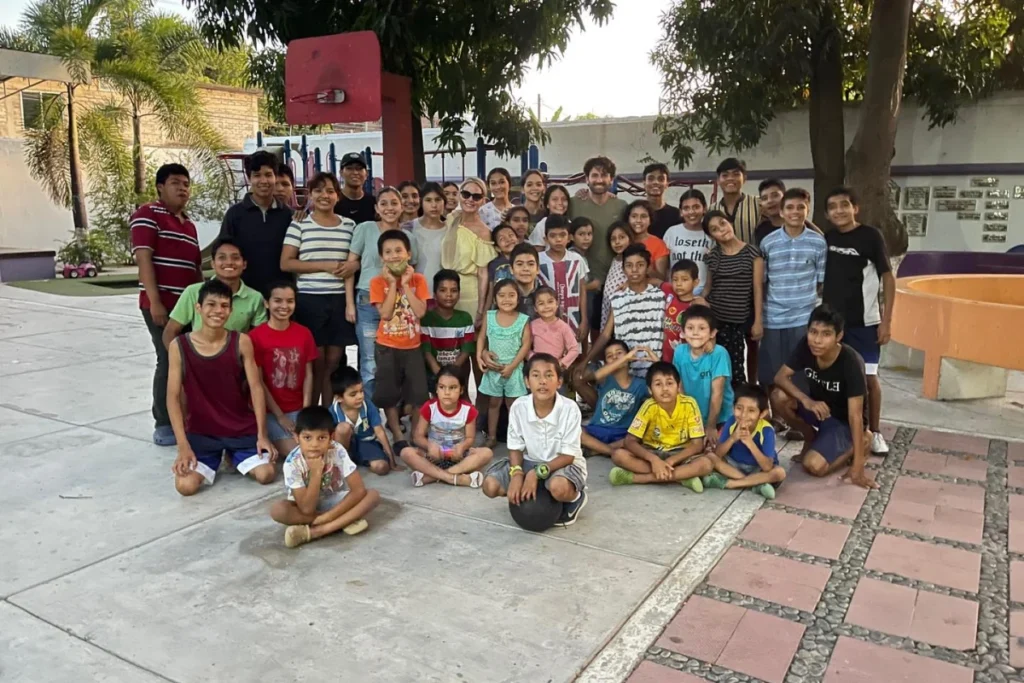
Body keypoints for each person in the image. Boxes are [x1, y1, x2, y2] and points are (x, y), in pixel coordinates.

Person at [168, 279, 276, 496]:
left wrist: (262, 434)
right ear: (198, 308)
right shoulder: (179, 346)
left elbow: (256, 388)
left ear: (231, 310)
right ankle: (218, 456)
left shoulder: (241, 341)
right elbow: (172, 396)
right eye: (211, 304)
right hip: (202, 432)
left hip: (239, 428)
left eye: (224, 306)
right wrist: (182, 445)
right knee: (185, 487)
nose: (218, 311)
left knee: (266, 474)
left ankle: (233, 456)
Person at [130, 163, 203, 446]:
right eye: (175, 182)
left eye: (186, 183)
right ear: (160, 187)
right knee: (167, 359)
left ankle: (188, 418)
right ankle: (163, 423)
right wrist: (156, 302)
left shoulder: (188, 224)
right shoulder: (147, 214)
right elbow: (144, 259)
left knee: (189, 362)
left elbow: (195, 268)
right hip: (161, 306)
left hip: (188, 308)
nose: (182, 188)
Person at [823, 187, 896, 456]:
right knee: (834, 378)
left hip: (865, 322)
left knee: (868, 378)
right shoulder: (827, 237)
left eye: (844, 205)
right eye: (833, 206)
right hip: (832, 324)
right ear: (827, 214)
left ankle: (874, 431)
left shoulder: (870, 236)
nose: (839, 210)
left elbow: (888, 277)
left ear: (856, 208)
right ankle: (843, 429)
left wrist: (886, 321)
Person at [772, 304, 877, 489]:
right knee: (779, 397)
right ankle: (810, 437)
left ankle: (862, 441)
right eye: (813, 332)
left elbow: (855, 416)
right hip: (819, 410)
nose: (817, 340)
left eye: (826, 334)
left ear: (839, 336)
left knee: (813, 466)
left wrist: (857, 467)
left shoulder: (851, 362)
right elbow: (780, 376)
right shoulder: (807, 345)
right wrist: (806, 400)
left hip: (843, 422)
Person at [482, 353, 589, 527]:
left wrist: (534, 473)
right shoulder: (519, 406)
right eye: (536, 375)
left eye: (549, 375)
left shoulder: (570, 409)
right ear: (526, 382)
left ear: (559, 382)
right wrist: (517, 473)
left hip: (562, 464)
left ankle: (576, 497)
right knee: (490, 486)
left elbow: (568, 456)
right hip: (529, 461)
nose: (542, 381)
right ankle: (536, 495)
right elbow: (515, 447)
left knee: (558, 488)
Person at [280, 171, 357, 406]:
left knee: (334, 360)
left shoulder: (350, 225)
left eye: (331, 190)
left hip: (339, 300)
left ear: (338, 195)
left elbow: (356, 258)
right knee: (316, 360)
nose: (325, 195)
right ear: (311, 195)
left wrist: (354, 264)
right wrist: (325, 265)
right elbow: (286, 263)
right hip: (310, 300)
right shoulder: (300, 223)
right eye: (319, 190)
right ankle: (310, 411)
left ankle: (327, 411)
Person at [272, 406, 381, 549]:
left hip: (333, 500)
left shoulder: (337, 450)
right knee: (278, 510)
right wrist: (316, 472)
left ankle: (317, 531)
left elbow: (358, 490)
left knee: (373, 495)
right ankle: (344, 521)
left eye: (322, 438)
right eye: (307, 438)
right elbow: (306, 509)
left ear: (332, 437)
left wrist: (328, 517)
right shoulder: (292, 463)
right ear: (296, 437)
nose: (314, 444)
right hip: (304, 506)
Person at [758, 188, 827, 394]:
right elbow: (763, 281)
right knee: (771, 373)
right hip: (773, 318)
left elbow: (821, 281)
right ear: (781, 212)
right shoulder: (768, 242)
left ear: (808, 210)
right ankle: (776, 419)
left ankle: (799, 420)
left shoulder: (818, 242)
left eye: (800, 207)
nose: (795, 212)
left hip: (803, 318)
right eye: (789, 207)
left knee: (800, 374)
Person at [346, 187, 409, 400]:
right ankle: (372, 415)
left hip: (399, 302)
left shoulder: (407, 235)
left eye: (394, 203)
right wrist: (349, 303)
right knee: (370, 360)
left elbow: (411, 270)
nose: (389, 208)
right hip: (367, 299)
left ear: (401, 207)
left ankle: (395, 412)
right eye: (384, 203)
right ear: (376, 208)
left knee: (397, 357)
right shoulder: (365, 229)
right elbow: (351, 265)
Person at [608, 361, 711, 490]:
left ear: (678, 386)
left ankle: (638, 478)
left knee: (706, 464)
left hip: (680, 454)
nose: (665, 389)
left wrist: (671, 461)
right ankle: (682, 477)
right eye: (658, 384)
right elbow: (630, 440)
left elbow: (697, 444)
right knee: (619, 455)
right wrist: (654, 460)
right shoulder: (649, 406)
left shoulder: (689, 404)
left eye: (669, 383)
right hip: (653, 452)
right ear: (650, 390)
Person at [370, 229, 430, 443]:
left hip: (412, 347)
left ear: (409, 254)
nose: (394, 255)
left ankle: (415, 434)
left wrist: (405, 284)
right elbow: (385, 314)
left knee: (418, 394)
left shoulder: (418, 280)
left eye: (398, 250)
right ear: (381, 257)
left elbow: (420, 311)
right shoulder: (378, 282)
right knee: (388, 393)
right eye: (388, 252)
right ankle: (397, 434)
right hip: (386, 347)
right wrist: (393, 284)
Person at [248, 281, 318, 455]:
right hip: (270, 412)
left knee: (320, 445)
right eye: (278, 301)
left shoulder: (304, 333)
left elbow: (308, 375)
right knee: (298, 452)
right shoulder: (255, 336)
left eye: (290, 301)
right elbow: (258, 382)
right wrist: (280, 416)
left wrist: (306, 411)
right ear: (266, 303)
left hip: (298, 410)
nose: (284, 306)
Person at [162, 237, 266, 349]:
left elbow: (259, 338)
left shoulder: (255, 298)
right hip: (198, 360)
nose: (229, 262)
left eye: (235, 258)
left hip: (235, 362)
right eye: (222, 257)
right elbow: (170, 331)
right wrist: (181, 360)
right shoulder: (193, 292)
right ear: (212, 263)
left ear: (244, 264)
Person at [400, 367, 494, 487]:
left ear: (461, 390)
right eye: (442, 387)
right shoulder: (429, 407)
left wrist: (462, 447)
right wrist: (429, 446)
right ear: (437, 389)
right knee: (406, 453)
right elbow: (418, 436)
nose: (447, 392)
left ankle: (432, 476)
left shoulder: (468, 410)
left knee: (486, 453)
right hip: (434, 454)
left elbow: (470, 438)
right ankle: (455, 478)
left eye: (453, 387)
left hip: (457, 455)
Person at [219, 151, 294, 298]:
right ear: (249, 178)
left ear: (275, 176)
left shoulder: (288, 216)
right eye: (257, 175)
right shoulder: (234, 214)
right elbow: (223, 253)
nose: (263, 181)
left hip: (280, 299)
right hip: (244, 297)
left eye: (268, 174)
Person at [701, 211, 763, 384]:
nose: (721, 229)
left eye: (723, 223)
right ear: (711, 235)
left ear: (730, 222)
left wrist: (758, 321)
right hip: (716, 321)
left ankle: (742, 402)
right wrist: (697, 300)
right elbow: (708, 287)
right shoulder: (712, 256)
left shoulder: (752, 253)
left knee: (735, 369)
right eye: (714, 229)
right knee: (715, 366)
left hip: (738, 322)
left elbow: (758, 288)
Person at [586, 243, 665, 379]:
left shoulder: (661, 296)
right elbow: (605, 335)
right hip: (627, 375)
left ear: (648, 267)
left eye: (640, 265)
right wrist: (586, 360)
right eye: (629, 265)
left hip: (655, 372)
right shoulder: (617, 298)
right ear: (623, 269)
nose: (634, 270)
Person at [703, 383, 785, 499]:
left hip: (758, 468)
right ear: (733, 408)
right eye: (739, 408)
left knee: (779, 472)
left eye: (751, 410)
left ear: (762, 414)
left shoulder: (766, 430)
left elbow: (767, 467)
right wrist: (733, 438)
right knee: (710, 457)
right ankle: (755, 484)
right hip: (733, 466)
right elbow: (718, 454)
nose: (743, 415)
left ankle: (731, 484)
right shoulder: (732, 422)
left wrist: (750, 443)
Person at [477, 280, 532, 447]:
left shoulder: (523, 320)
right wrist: (480, 356)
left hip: (513, 371)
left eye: (511, 295)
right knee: (494, 403)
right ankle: (492, 437)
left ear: (518, 298)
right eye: (501, 295)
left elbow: (526, 344)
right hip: (494, 369)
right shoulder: (490, 316)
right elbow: (481, 337)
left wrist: (513, 366)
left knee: (514, 406)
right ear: (495, 298)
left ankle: (518, 439)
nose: (506, 299)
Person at [672, 305, 735, 446]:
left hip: (720, 418)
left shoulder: (718, 353)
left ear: (712, 333)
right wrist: (685, 419)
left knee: (715, 450)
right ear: (682, 332)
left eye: (702, 328)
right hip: (692, 417)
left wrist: (711, 427)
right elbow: (679, 388)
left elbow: (717, 393)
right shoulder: (679, 352)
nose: (695, 333)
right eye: (690, 328)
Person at [441, 177, 498, 329]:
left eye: (477, 196)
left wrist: (481, 309)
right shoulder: (452, 219)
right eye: (466, 194)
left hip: (468, 292)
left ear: (483, 201)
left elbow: (483, 273)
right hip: (444, 288)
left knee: (467, 341)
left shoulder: (484, 232)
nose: (470, 199)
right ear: (459, 195)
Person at [578, 341, 650, 456]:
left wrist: (655, 361)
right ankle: (611, 451)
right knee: (577, 432)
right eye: (610, 356)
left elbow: (659, 392)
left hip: (623, 433)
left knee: (641, 436)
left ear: (630, 356)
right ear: (606, 363)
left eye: (619, 353)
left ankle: (597, 450)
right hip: (597, 429)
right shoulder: (604, 379)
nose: (615, 357)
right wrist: (623, 359)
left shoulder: (640, 384)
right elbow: (589, 378)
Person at [329, 366, 398, 475]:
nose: (360, 396)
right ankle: (342, 461)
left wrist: (391, 459)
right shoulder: (333, 411)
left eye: (361, 391)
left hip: (367, 443)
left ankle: (361, 460)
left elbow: (379, 431)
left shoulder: (368, 406)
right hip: (345, 447)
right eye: (353, 394)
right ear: (339, 398)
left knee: (382, 468)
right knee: (343, 428)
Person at [570, 156, 628, 284]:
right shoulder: (573, 204)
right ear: (587, 179)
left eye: (604, 175)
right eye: (594, 175)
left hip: (616, 279)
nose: (599, 180)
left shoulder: (621, 206)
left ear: (611, 179)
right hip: (583, 280)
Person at [421, 269, 476, 393]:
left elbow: (466, 351)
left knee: (462, 399)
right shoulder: (426, 318)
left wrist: (451, 373)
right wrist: (441, 374)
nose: (449, 295)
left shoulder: (465, 318)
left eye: (454, 290)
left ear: (459, 293)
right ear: (434, 294)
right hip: (433, 372)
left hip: (458, 371)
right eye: (443, 290)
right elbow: (426, 352)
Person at [538, 215, 589, 338]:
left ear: (569, 237)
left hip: (573, 318)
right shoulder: (538, 259)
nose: (558, 239)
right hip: (545, 320)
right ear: (545, 239)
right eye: (553, 236)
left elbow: (582, 290)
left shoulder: (577, 259)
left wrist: (584, 319)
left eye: (562, 235)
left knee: (574, 352)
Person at [663, 189, 712, 294]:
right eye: (686, 208)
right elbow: (665, 268)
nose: (691, 212)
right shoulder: (671, 232)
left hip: (702, 292)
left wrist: (704, 295)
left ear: (705, 208)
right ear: (681, 212)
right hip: (676, 291)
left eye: (696, 207)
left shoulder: (711, 234)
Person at [410, 182, 448, 302]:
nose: (434, 205)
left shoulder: (451, 229)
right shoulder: (409, 228)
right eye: (428, 200)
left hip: (443, 295)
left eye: (438, 200)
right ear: (421, 202)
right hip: (414, 294)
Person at [530, 286, 579, 372]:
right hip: (536, 368)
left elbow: (574, 349)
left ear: (557, 304)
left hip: (555, 369)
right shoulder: (532, 325)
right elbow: (525, 347)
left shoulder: (563, 327)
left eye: (550, 302)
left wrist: (560, 363)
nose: (546, 306)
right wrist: (533, 359)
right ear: (535, 308)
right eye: (541, 303)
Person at [713, 158, 761, 245]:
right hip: (721, 258)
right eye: (725, 175)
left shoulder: (758, 204)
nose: (730, 178)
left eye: (736, 174)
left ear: (744, 179)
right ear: (718, 180)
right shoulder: (712, 209)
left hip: (753, 258)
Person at [598, 222, 635, 331]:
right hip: (608, 313)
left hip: (623, 316)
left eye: (622, 237)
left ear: (630, 238)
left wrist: (629, 283)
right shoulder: (615, 260)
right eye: (613, 239)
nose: (617, 242)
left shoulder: (631, 260)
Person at [661, 259, 699, 362]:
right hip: (664, 355)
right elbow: (655, 281)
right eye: (675, 279)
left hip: (685, 358)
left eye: (684, 279)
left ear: (695, 282)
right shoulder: (669, 292)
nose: (678, 284)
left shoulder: (696, 306)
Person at [624, 199, 670, 280]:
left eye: (643, 216)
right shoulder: (623, 241)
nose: (638, 220)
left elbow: (661, 278)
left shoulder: (658, 244)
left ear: (650, 220)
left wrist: (646, 267)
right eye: (634, 216)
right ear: (628, 219)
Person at [334, 152, 376, 224]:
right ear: (341, 173)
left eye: (359, 168)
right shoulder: (334, 202)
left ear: (366, 173)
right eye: (349, 168)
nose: (355, 172)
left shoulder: (374, 204)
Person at [643, 162, 681, 239]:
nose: (655, 182)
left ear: (667, 184)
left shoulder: (676, 215)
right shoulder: (635, 213)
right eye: (651, 178)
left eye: (661, 179)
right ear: (644, 183)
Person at [485, 224, 519, 301]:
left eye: (511, 235)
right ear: (497, 248)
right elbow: (491, 291)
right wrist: (485, 311)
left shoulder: (526, 259)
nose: (508, 240)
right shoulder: (494, 265)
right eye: (502, 239)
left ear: (518, 239)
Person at [509, 243, 542, 318]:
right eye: (520, 264)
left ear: (538, 269)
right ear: (511, 269)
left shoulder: (547, 296)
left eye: (530, 264)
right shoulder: (504, 296)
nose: (525, 268)